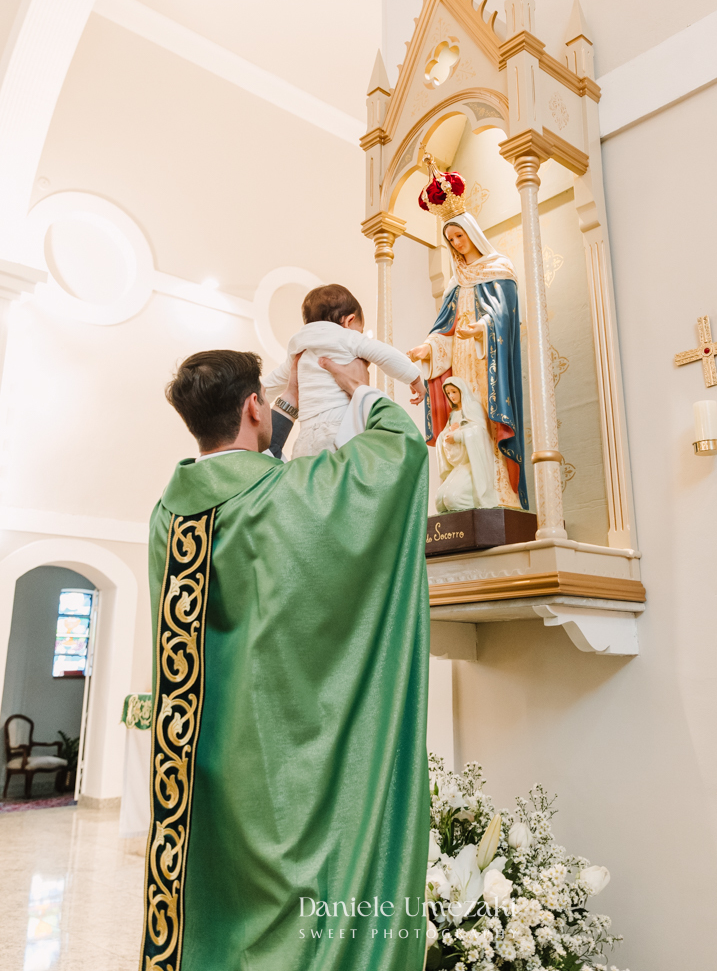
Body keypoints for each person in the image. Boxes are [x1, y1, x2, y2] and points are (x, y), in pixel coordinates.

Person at [141, 348, 430, 971]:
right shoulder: (292, 496)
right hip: (285, 760)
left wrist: (284, 406)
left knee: (223, 907)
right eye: (267, 402)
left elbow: (243, 485)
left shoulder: (171, 516)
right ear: (253, 406)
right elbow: (397, 451)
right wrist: (360, 391)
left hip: (208, 769)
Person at [408, 191, 527, 510]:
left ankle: (499, 488)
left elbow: (505, 319)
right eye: (450, 239)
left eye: (459, 235)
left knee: (486, 417)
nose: (457, 243)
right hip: (460, 359)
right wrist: (428, 348)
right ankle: (467, 482)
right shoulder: (455, 282)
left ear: (472, 233)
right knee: (463, 414)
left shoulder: (498, 268)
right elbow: (444, 329)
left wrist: (482, 328)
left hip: (488, 359)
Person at [263, 283, 425, 456]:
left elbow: (276, 380)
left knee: (308, 478)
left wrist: (258, 396)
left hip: (306, 436)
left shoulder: (300, 347)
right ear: (349, 321)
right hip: (339, 428)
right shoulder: (348, 337)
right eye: (360, 330)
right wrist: (414, 378)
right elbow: (385, 354)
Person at [435, 377, 500, 512]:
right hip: (459, 464)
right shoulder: (453, 414)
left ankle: (478, 505)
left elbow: (480, 433)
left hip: (474, 464)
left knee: (452, 499)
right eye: (448, 393)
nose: (451, 396)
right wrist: (445, 436)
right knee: (439, 501)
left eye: (454, 391)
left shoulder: (473, 407)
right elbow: (445, 434)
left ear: (461, 390)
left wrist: (459, 435)